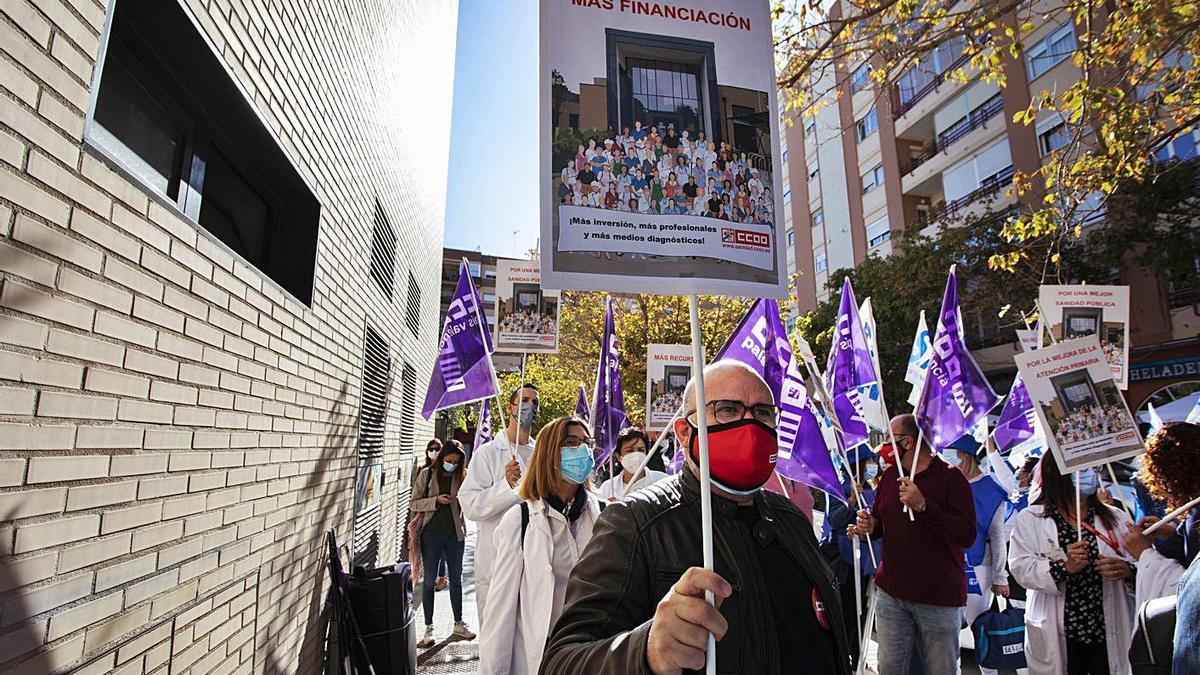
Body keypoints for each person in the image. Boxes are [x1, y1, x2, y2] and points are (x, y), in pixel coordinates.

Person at [541, 360, 854, 674]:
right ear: (683, 432)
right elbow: (562, 662)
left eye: (762, 412)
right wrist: (645, 650)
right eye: (727, 410)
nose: (751, 425)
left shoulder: (792, 521)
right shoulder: (635, 524)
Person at [847, 414, 976, 675]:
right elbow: (881, 522)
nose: (883, 448)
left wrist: (924, 507)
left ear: (907, 442)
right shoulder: (890, 476)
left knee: (941, 669)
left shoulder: (951, 479)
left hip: (938, 597)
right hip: (892, 593)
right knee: (891, 668)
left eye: (888, 440)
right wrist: (869, 527)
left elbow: (966, 535)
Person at [479, 417, 603, 675]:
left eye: (587, 443)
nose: (582, 451)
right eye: (571, 442)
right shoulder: (520, 521)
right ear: (550, 453)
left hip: (592, 651)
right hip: (544, 654)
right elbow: (500, 612)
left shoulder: (603, 515)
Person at [1008, 459, 1135, 674]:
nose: (1089, 475)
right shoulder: (1031, 519)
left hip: (1107, 628)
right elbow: (1021, 568)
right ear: (1058, 473)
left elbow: (1138, 561)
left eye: (1093, 469)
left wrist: (1127, 570)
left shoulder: (1116, 517)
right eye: (1081, 469)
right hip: (1060, 629)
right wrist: (1063, 568)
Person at [459, 384, 540, 623]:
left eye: (535, 402)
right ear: (510, 407)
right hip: (497, 559)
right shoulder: (488, 454)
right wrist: (505, 485)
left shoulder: (540, 455)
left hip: (534, 558)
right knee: (497, 635)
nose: (530, 406)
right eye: (524, 400)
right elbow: (470, 505)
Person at [943, 436, 1018, 675]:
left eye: (952, 454)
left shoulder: (992, 490)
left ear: (965, 456)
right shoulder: (947, 484)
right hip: (947, 566)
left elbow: (997, 537)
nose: (948, 460)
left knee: (980, 628)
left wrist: (1000, 576)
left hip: (978, 567)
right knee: (947, 631)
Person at [1122, 422, 1200, 608]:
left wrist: (1145, 554)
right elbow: (1189, 548)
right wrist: (1170, 535)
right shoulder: (1194, 509)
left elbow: (1191, 581)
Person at [411, 440, 476, 646]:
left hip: (455, 535)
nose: (452, 465)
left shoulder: (464, 476)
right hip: (431, 534)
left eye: (456, 462)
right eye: (448, 460)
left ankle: (459, 623)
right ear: (441, 458)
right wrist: (436, 501)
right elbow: (414, 503)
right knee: (429, 580)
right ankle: (429, 628)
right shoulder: (427, 474)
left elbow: (472, 500)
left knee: (456, 579)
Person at [596, 426, 668, 501]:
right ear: (618, 457)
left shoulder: (662, 481)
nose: (636, 455)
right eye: (630, 450)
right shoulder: (607, 487)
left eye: (641, 450)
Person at [415, 438, 450, 591]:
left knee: (443, 554)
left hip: (445, 523)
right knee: (429, 557)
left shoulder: (447, 472)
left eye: (438, 449)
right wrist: (435, 501)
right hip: (426, 522)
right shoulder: (423, 472)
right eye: (432, 449)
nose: (434, 452)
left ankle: (442, 577)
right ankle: (431, 579)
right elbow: (415, 502)